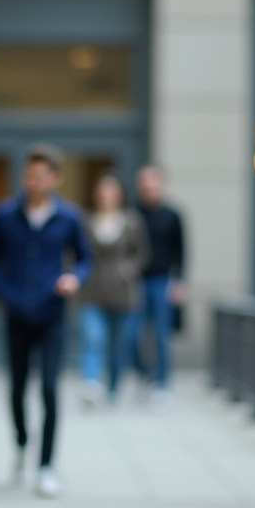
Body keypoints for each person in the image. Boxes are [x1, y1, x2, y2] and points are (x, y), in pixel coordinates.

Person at [0, 145, 93, 498]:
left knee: (48, 389)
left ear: (55, 179)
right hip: (16, 314)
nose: (33, 182)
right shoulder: (5, 214)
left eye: (41, 176)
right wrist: (5, 294)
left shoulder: (70, 218)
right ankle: (21, 443)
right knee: (17, 389)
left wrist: (74, 277)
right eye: (29, 175)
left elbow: (84, 259)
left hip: (52, 315)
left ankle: (46, 466)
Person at [79, 173, 150, 405]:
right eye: (102, 191)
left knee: (120, 345)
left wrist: (128, 269)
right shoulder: (87, 221)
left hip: (124, 293)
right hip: (93, 291)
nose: (106, 195)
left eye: (111, 190)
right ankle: (91, 384)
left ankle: (112, 387)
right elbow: (77, 254)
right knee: (93, 338)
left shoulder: (131, 221)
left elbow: (143, 254)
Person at [131, 166, 186, 400]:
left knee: (161, 336)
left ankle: (163, 384)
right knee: (131, 336)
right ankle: (148, 374)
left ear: (161, 184)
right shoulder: (133, 214)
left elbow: (181, 251)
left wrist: (180, 282)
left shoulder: (172, 215)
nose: (148, 187)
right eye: (144, 182)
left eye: (152, 182)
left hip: (163, 281)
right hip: (135, 282)